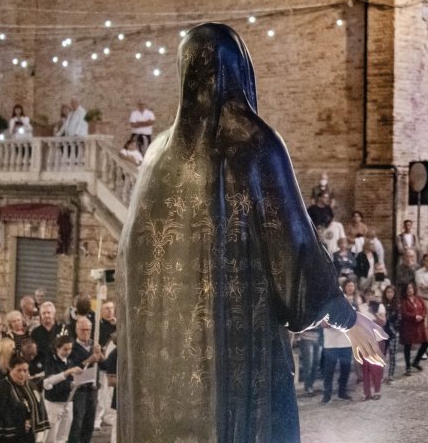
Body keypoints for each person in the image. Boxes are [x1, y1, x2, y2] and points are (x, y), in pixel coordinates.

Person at [116, 25, 384, 441]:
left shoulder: (156, 157)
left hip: (164, 384)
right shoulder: (256, 146)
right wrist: (349, 320)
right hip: (239, 375)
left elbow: (129, 264)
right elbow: (294, 258)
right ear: (239, 71)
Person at [0, 355, 49, 443]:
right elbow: (1, 414)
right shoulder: (2, 389)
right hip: (7, 437)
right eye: (19, 370)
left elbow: (36, 407)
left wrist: (30, 421)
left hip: (27, 432)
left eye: (25, 371)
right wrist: (21, 424)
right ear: (10, 369)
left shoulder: (30, 385)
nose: (22, 374)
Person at [43, 335, 82, 443]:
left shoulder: (70, 361)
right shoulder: (50, 361)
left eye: (70, 349)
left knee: (63, 435)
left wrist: (73, 384)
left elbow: (70, 380)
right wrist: (67, 373)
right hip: (54, 402)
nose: (68, 352)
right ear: (57, 348)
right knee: (51, 435)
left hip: (67, 401)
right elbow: (49, 381)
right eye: (65, 349)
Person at [68, 318, 101, 443]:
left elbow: (104, 363)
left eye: (88, 330)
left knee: (89, 421)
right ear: (77, 330)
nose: (85, 332)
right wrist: (91, 359)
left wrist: (99, 354)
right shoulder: (72, 348)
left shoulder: (94, 345)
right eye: (82, 330)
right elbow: (74, 367)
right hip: (79, 389)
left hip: (92, 389)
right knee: (77, 421)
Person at [357, 295, 385, 401]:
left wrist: (374, 313)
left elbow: (383, 322)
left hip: (376, 339)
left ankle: (377, 391)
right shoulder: (361, 307)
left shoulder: (380, 307)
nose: (371, 297)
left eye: (373, 294)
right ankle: (366, 392)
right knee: (365, 367)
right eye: (369, 294)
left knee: (376, 366)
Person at [399, 283, 428, 375]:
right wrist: (414, 316)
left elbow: (424, 309)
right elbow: (404, 313)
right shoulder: (403, 301)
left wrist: (422, 316)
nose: (410, 290)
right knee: (408, 345)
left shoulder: (418, 298)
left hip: (419, 325)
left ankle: (416, 361)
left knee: (425, 343)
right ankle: (408, 367)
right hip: (408, 326)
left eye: (411, 288)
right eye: (408, 288)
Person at [31, 302, 68, 368]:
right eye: (44, 313)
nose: (46, 315)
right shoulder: (35, 332)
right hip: (41, 366)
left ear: (53, 314)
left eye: (48, 313)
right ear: (40, 315)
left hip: (59, 365)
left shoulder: (63, 330)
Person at [380, 285, 400, 383]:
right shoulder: (382, 305)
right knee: (382, 354)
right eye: (388, 292)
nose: (389, 294)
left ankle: (391, 374)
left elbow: (399, 319)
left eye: (391, 292)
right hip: (383, 333)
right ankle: (380, 374)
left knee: (393, 355)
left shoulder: (398, 305)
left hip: (393, 333)